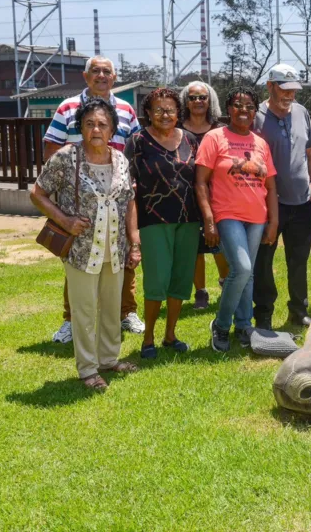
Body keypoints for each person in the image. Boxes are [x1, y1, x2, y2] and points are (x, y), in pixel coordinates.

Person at [30, 98, 141, 391]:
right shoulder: (66, 157)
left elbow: (129, 201)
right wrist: (64, 221)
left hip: (115, 248)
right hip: (81, 249)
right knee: (84, 309)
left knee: (112, 307)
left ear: (113, 130)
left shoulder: (120, 160)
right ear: (80, 127)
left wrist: (135, 241)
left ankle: (109, 358)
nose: (95, 130)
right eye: (89, 124)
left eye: (102, 124)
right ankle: (88, 369)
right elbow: (37, 194)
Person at [42, 55, 144, 343]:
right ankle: (71, 319)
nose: (101, 75)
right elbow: (51, 150)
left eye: (107, 71)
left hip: (118, 193)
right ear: (86, 77)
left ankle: (126, 312)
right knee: (77, 257)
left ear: (114, 78)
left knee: (121, 255)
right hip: (81, 197)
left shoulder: (126, 109)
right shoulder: (67, 107)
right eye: (95, 71)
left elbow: (135, 148)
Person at [195, 87, 279, 352]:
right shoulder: (214, 138)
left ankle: (243, 325)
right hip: (227, 214)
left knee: (249, 274)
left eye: (249, 106)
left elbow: (272, 186)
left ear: (256, 111)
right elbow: (200, 182)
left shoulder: (261, 143)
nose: (244, 110)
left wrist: (273, 221)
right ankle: (221, 324)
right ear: (228, 109)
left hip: (257, 217)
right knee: (241, 269)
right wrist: (209, 219)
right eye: (238, 105)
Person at [124, 88, 198, 359]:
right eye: (158, 109)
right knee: (156, 281)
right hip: (153, 221)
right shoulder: (138, 141)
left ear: (179, 112)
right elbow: (129, 190)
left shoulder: (190, 139)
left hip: (189, 221)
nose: (165, 114)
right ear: (147, 113)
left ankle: (171, 335)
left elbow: (199, 181)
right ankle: (148, 339)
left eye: (170, 109)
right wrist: (133, 234)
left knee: (180, 280)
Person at [252, 64, 311, 330]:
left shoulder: (302, 112)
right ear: (270, 86)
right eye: (284, 88)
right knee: (264, 262)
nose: (290, 94)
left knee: (299, 260)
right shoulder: (255, 115)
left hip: (301, 203)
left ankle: (298, 311)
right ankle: (264, 313)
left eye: (294, 89)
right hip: (269, 204)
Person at [179, 80, 229, 309]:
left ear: (210, 100)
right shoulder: (177, 129)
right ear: (185, 102)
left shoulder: (219, 129)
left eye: (202, 97)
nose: (197, 101)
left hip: (218, 194)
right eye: (192, 97)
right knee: (194, 247)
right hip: (186, 195)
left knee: (219, 241)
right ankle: (200, 291)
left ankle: (225, 281)